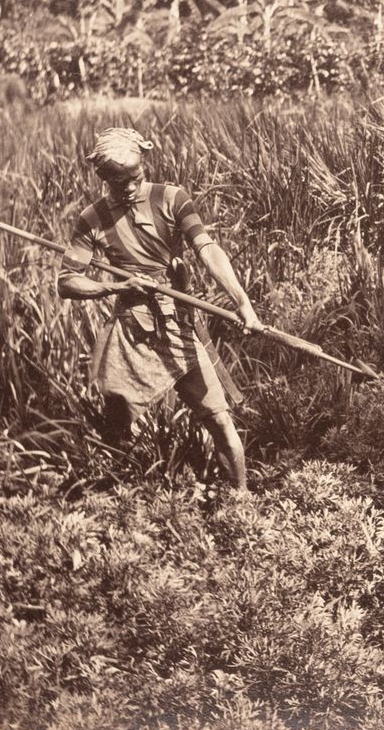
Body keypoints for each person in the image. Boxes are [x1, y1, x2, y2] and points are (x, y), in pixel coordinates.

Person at [58, 127, 263, 491]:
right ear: (104, 178)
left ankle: (241, 501)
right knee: (117, 421)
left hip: (179, 324)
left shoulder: (172, 198)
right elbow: (67, 280)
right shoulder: (92, 219)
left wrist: (242, 303)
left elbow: (208, 249)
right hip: (131, 331)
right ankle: (124, 498)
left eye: (136, 177)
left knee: (218, 418)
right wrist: (117, 286)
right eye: (120, 183)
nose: (131, 188)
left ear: (143, 166)